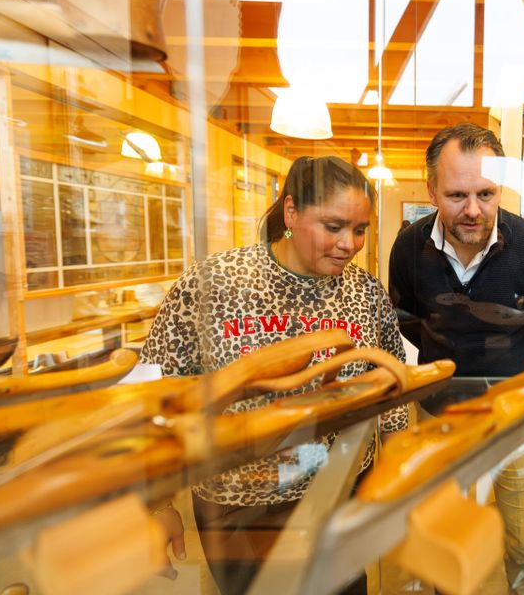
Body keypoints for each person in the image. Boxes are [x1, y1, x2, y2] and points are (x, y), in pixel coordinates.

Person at [140, 156, 406, 595]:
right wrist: (156, 504)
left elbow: (391, 388)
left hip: (335, 495)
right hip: (239, 510)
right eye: (334, 226)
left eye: (360, 230)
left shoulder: (364, 291)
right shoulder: (217, 283)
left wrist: (395, 480)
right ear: (291, 213)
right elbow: (154, 394)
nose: (349, 243)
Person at [389, 122, 524, 594]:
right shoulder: (409, 248)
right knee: (435, 540)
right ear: (431, 189)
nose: (474, 210)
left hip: (514, 421)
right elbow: (406, 318)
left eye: (486, 194)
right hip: (437, 419)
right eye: (456, 195)